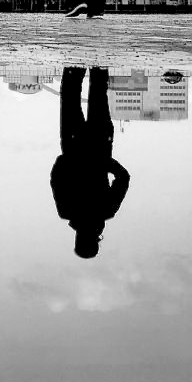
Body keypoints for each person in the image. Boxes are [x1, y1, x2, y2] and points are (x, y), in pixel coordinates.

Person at [50, 67, 130, 259]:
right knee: (72, 99)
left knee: (97, 95)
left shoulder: (106, 211)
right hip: (75, 148)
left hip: (96, 146)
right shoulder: (67, 211)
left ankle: (97, 65)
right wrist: (64, 161)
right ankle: (76, 67)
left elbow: (123, 178)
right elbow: (57, 181)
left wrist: (105, 162)